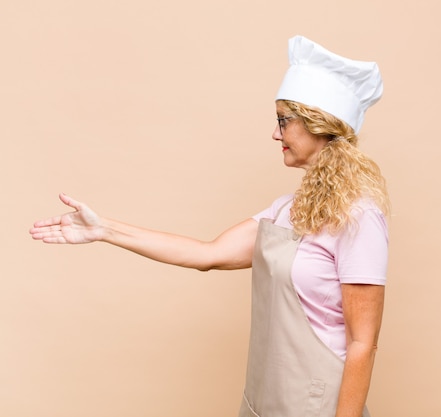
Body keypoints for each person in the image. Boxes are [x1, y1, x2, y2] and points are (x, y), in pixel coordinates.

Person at [30, 35, 389, 417]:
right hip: (264, 396)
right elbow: (207, 254)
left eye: (284, 121)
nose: (274, 133)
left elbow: (362, 343)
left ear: (319, 123)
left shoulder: (358, 217)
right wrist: (105, 230)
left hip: (318, 403)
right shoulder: (286, 209)